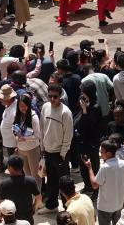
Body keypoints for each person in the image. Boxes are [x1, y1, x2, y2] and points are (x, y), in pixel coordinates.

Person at [40, 83, 73, 212]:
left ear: (60, 97)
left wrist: (63, 153)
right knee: (51, 181)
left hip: (60, 154)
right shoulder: (45, 107)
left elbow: (68, 135)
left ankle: (68, 208)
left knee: (64, 183)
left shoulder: (66, 112)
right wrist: (42, 146)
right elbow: (42, 128)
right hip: (47, 151)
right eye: (50, 96)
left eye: (55, 96)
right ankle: (51, 205)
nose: (52, 99)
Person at [84, 140, 124, 225]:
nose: (100, 154)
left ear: (108, 153)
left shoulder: (105, 167)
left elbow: (94, 185)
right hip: (119, 204)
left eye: (101, 152)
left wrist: (89, 167)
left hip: (105, 207)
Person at [0, 155, 39, 224]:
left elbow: (0, 202)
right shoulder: (31, 181)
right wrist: (33, 208)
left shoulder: (4, 184)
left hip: (11, 219)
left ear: (10, 167)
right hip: (28, 217)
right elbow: (39, 198)